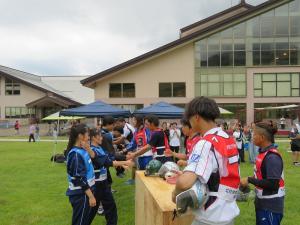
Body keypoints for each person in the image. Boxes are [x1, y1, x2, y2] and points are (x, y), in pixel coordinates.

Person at [172, 97, 240, 225]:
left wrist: (175, 194)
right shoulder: (227, 138)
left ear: (196, 117)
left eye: (189, 119)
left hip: (210, 215)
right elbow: (219, 172)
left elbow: (184, 183)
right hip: (227, 211)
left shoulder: (205, 143)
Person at [240, 122, 285, 225]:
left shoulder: (272, 157)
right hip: (262, 203)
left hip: (271, 206)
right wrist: (249, 179)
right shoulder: (263, 153)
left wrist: (249, 180)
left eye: (254, 134)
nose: (252, 136)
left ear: (262, 137)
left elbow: (273, 184)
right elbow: (262, 176)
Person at [88, 128, 133, 225]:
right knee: (91, 210)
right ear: (93, 138)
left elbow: (109, 159)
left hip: (104, 183)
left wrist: (122, 164)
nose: (101, 138)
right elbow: (108, 162)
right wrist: (125, 162)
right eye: (99, 136)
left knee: (111, 207)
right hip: (96, 184)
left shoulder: (99, 148)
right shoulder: (92, 151)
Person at [65, 124, 96, 225]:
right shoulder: (76, 154)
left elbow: (94, 157)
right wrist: (91, 196)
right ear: (80, 136)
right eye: (87, 134)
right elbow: (79, 178)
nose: (89, 136)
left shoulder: (82, 150)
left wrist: (87, 148)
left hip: (85, 192)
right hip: (80, 194)